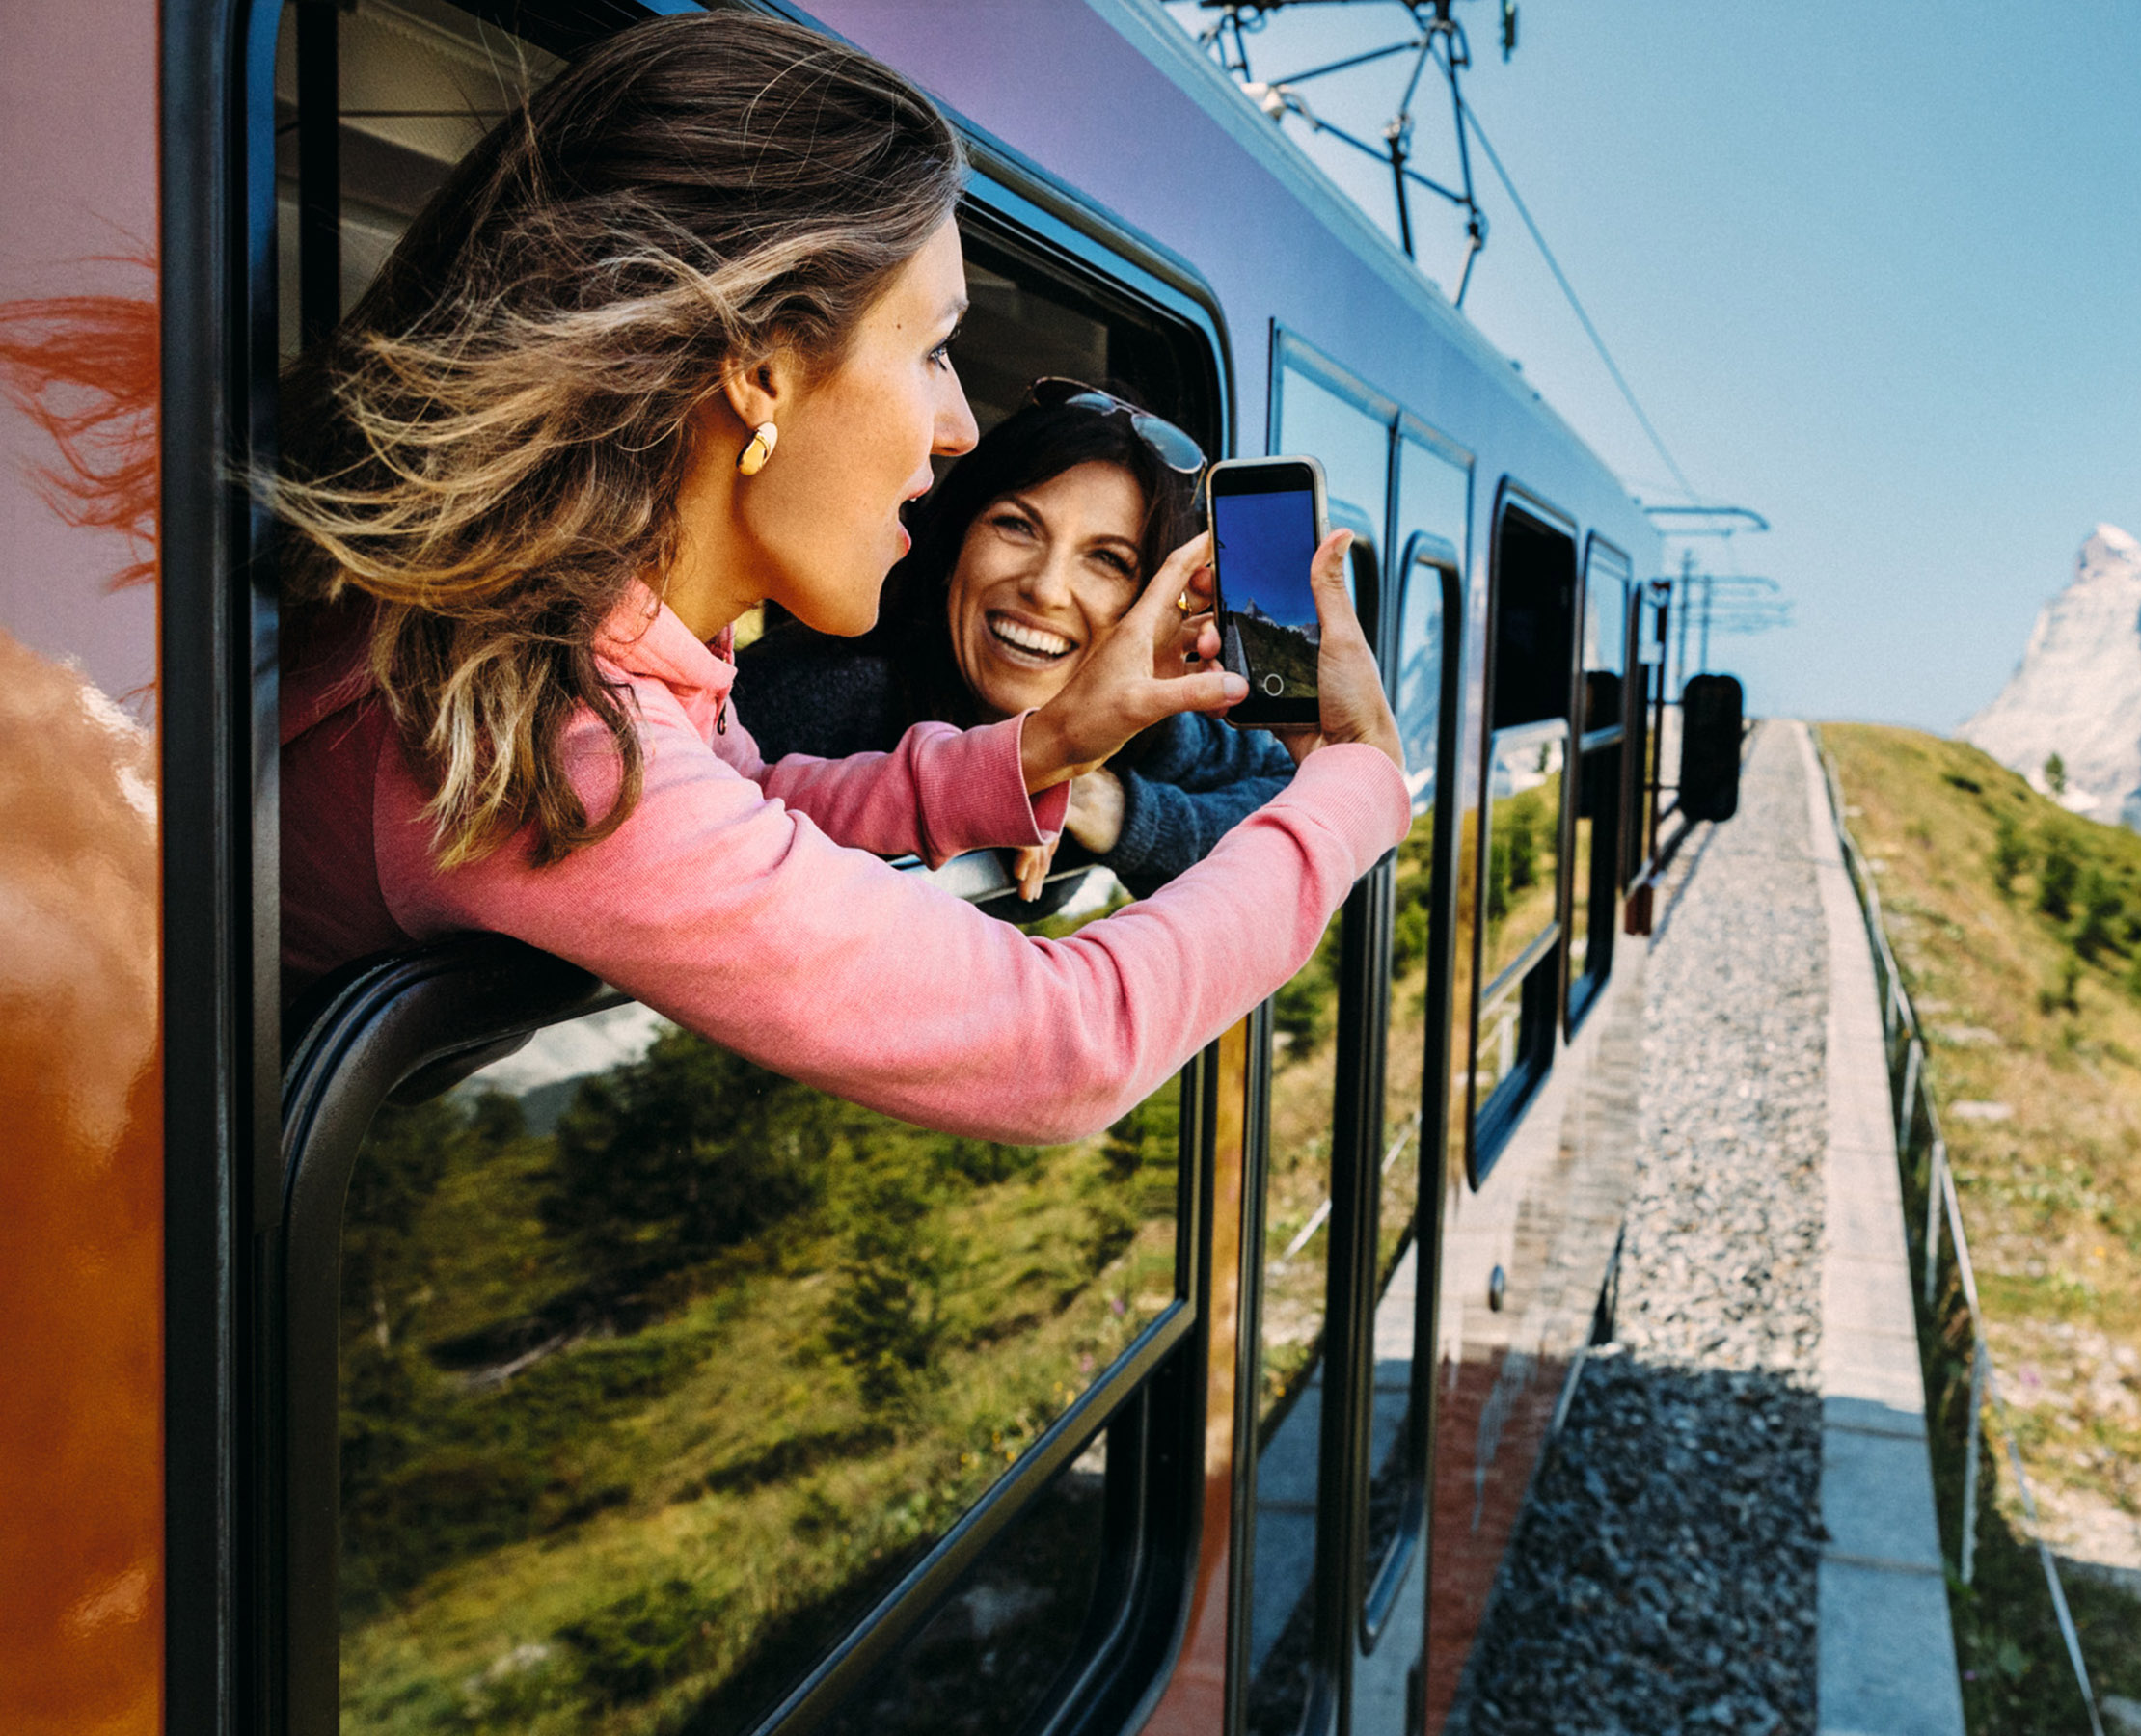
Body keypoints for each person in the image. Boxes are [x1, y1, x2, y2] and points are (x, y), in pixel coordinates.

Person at [270, 14, 1405, 1144]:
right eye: (933, 352)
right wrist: (1360, 784)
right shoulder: (556, 743)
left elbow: (755, 812)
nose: (960, 426)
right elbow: (1066, 1042)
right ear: (760, 369)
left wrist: (1046, 747)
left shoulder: (571, 639)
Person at [737, 383, 1297, 901]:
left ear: (1145, 606)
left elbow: (1292, 797)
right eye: (1017, 526)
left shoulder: (1148, 731)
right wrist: (1004, 779)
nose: (1047, 589)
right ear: (952, 544)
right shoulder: (825, 693)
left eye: (1107, 560)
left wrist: (1119, 810)